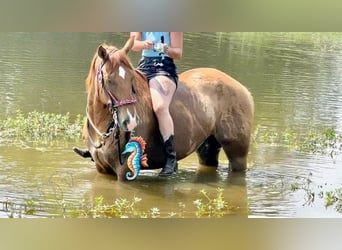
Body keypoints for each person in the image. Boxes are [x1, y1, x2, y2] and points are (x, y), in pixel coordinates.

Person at [130, 32, 183, 177]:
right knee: (121, 94)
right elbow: (133, 44)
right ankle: (104, 143)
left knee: (159, 107)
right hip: (143, 66)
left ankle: (171, 158)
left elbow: (178, 53)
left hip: (164, 67)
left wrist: (166, 49)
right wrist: (144, 44)